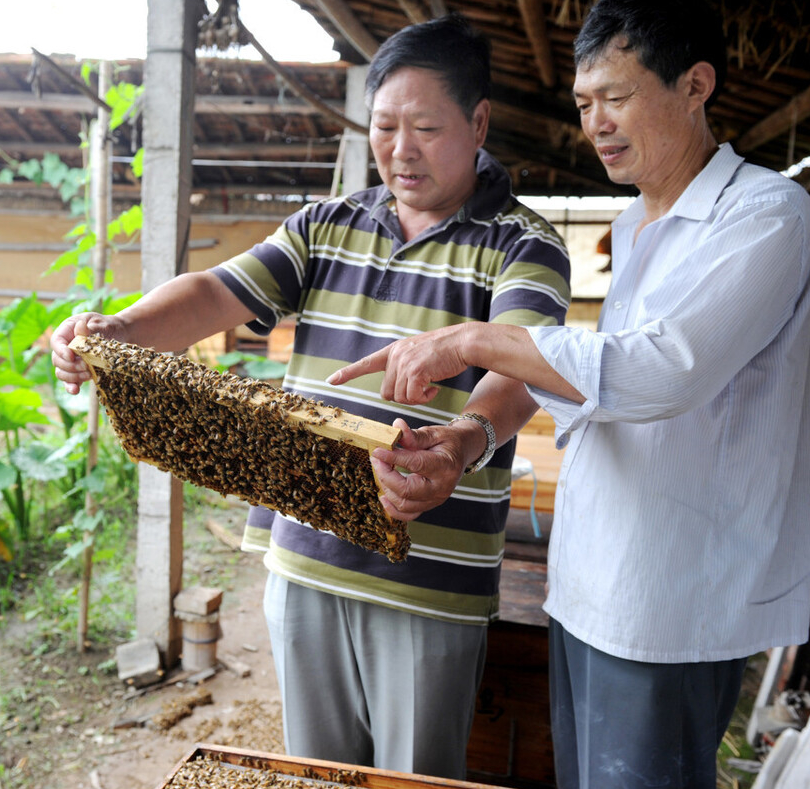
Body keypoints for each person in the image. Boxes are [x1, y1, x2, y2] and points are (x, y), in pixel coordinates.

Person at [51, 15, 571, 778]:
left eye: (425, 126)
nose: (400, 148)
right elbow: (213, 293)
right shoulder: (326, 225)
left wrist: (462, 440)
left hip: (430, 584)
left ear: (479, 122)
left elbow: (525, 365)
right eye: (385, 125)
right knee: (314, 774)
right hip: (305, 567)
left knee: (413, 777)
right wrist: (118, 330)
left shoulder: (523, 244)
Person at [329, 1, 810, 786]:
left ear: (695, 84)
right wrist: (468, 436)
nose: (597, 124)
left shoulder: (766, 214)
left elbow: (662, 369)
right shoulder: (637, 224)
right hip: (589, 584)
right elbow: (595, 385)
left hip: (670, 601)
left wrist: (471, 339)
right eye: (585, 105)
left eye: (616, 98)